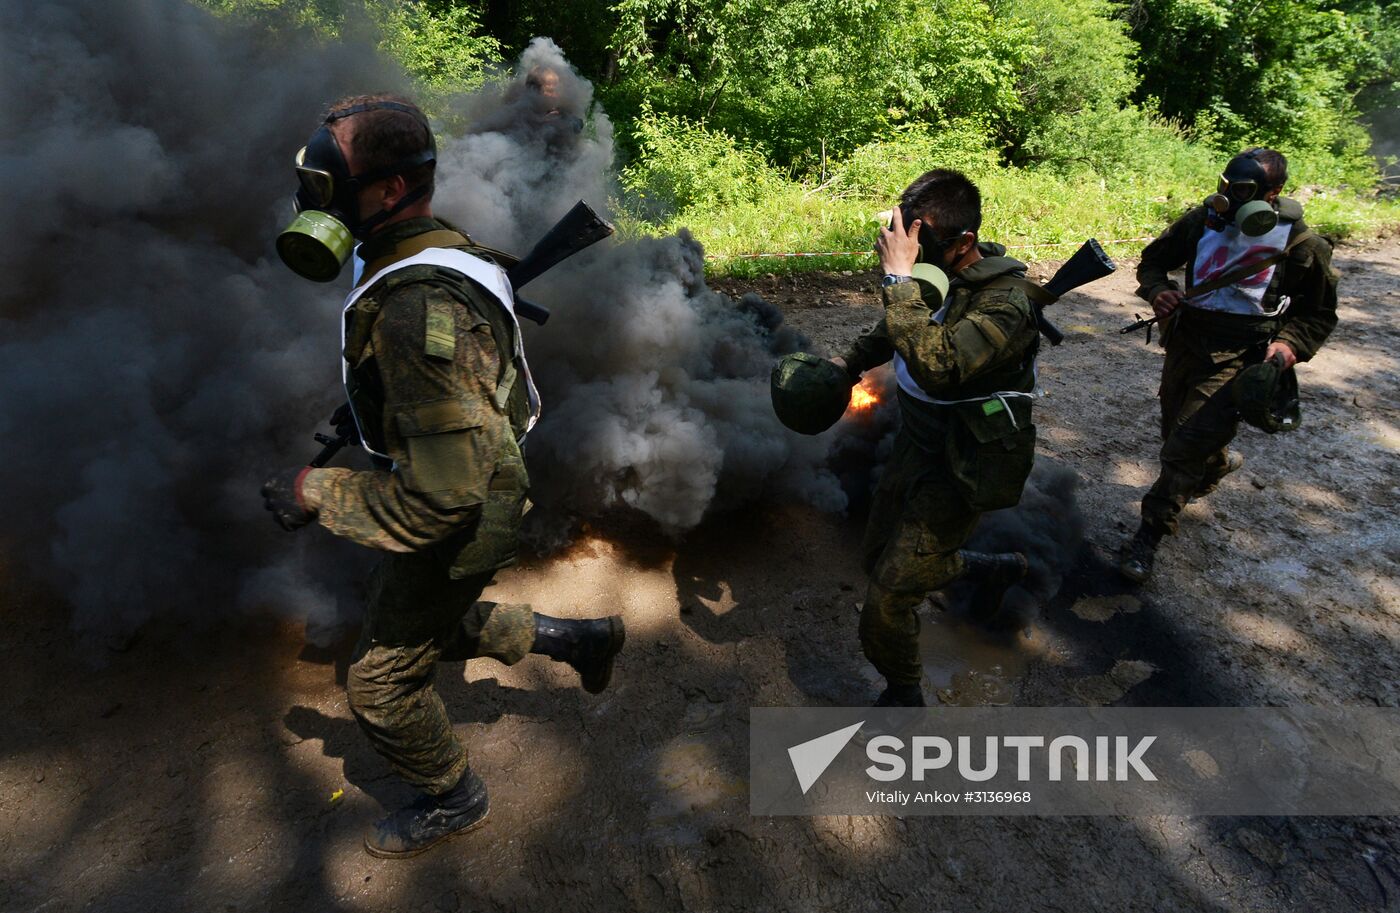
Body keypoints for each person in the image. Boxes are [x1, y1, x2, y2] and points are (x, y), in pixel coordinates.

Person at [260, 94, 626, 858]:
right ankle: (578, 640)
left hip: (465, 500)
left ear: (389, 190)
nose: (310, 196)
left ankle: (453, 795)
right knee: (421, 615)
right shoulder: (424, 250)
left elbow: (443, 496)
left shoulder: (418, 301)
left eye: (327, 179)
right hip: (468, 473)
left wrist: (314, 491)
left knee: (380, 683)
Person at [834, 169, 1040, 707]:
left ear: (964, 242)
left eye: (923, 248)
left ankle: (903, 695)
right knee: (876, 556)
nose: (914, 259)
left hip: (961, 460)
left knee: (888, 596)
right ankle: (988, 568)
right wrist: (849, 363)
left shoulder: (1006, 305)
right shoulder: (940, 269)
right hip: (916, 443)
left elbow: (938, 365)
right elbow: (900, 327)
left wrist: (898, 281)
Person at [1120, 147, 1339, 582]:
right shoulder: (1203, 221)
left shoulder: (1300, 245)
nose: (1229, 199)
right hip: (1186, 342)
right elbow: (1153, 261)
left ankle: (1148, 536)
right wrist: (1157, 290)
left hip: (1242, 356)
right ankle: (1217, 462)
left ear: (1274, 193)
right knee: (1178, 431)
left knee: (1181, 447)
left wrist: (1289, 345)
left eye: (1241, 191)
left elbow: (1318, 313)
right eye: (1226, 186)